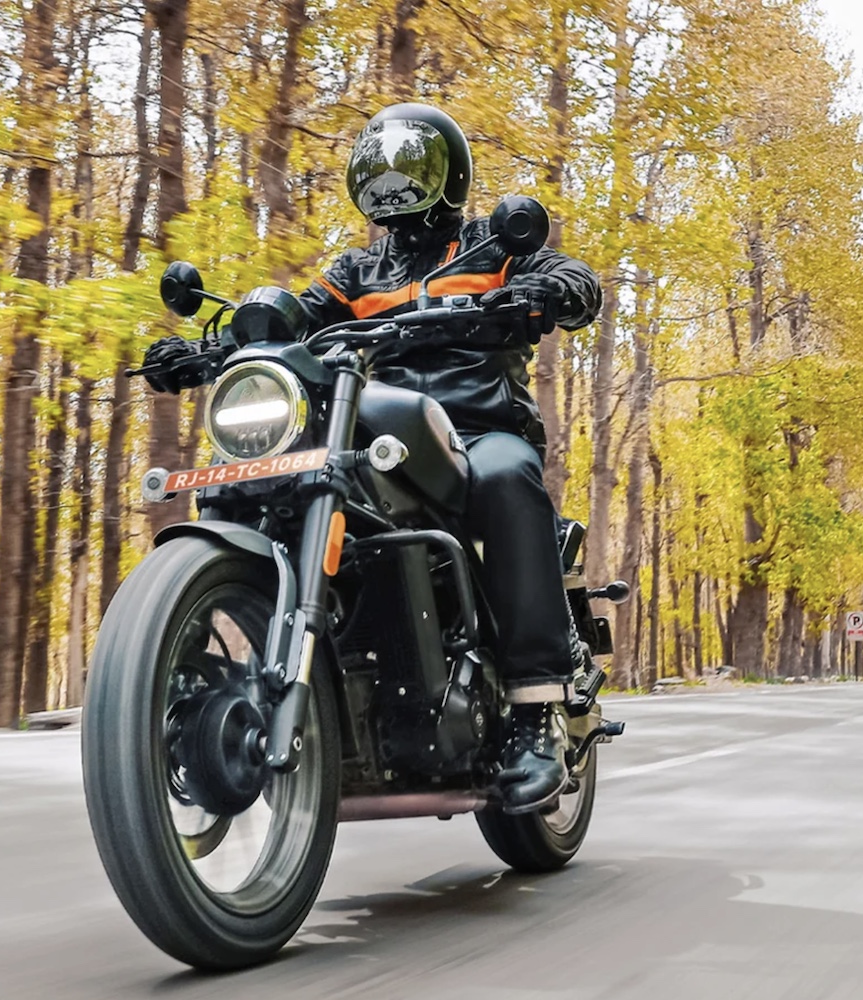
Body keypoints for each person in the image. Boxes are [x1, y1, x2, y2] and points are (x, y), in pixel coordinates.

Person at [142, 103, 601, 814]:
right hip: (370, 438)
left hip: (476, 430)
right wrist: (212, 349)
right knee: (256, 484)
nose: (392, 182)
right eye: (379, 169)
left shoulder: (493, 247)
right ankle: (212, 672)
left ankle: (533, 711)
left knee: (511, 478)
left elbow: (576, 280)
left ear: (447, 174)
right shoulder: (356, 270)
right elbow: (295, 320)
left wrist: (551, 288)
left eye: (409, 167)